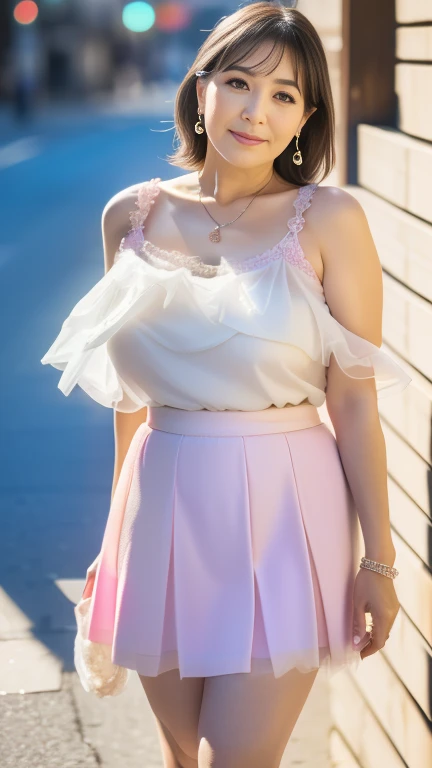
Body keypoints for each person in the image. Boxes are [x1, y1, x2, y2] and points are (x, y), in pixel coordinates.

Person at [41, 2, 412, 766]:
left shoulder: (330, 219)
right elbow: (129, 400)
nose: (256, 111)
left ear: (308, 117)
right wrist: (112, 541)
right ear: (200, 88)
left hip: (285, 507)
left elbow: (353, 400)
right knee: (182, 757)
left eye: (285, 95)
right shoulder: (131, 217)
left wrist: (379, 561)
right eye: (240, 82)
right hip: (161, 507)